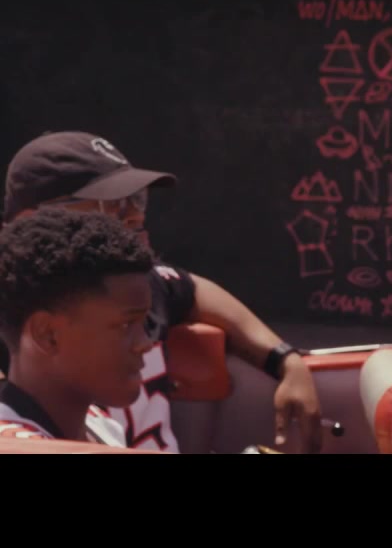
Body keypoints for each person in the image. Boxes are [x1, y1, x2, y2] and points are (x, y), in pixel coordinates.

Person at [0, 131, 324, 453]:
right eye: (109, 204)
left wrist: (285, 360)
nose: (133, 214)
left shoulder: (100, 421)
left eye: (136, 199)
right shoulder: (24, 310)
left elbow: (190, 288)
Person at [0, 208, 155, 445]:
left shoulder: (101, 425)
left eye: (143, 323)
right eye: (126, 324)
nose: (145, 343)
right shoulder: (15, 444)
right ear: (48, 335)